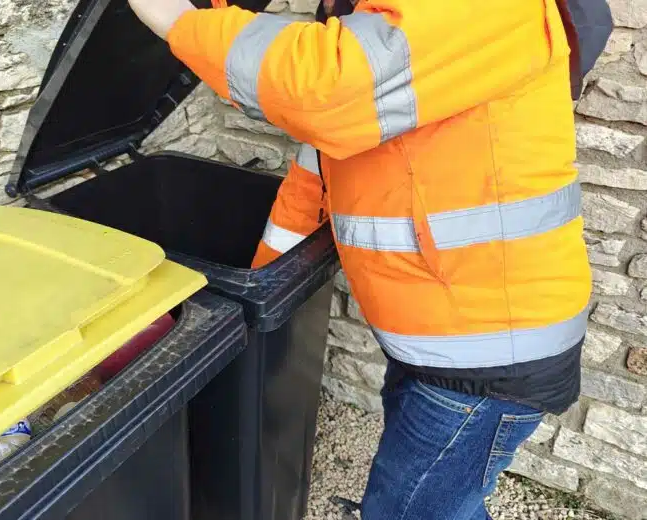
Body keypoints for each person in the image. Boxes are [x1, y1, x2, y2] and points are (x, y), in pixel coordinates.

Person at [128, 0, 613, 518]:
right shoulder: (387, 49)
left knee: (406, 509)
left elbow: (328, 88)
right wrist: (257, 292)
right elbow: (313, 181)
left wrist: (181, 20)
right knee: (432, 499)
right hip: (436, 338)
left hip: (492, 350)